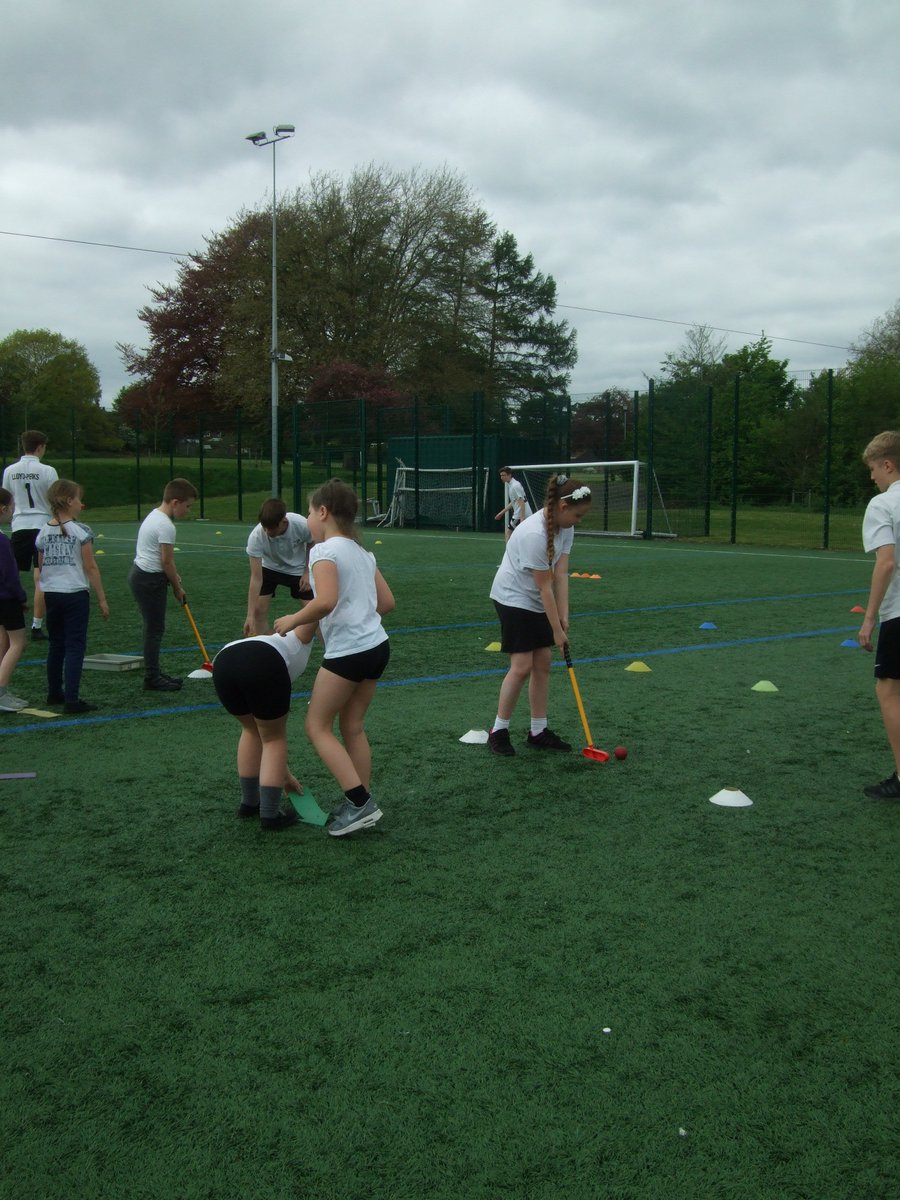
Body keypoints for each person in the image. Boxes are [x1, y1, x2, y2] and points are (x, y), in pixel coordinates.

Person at [273, 478, 395, 837]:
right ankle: (361, 801)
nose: (308, 518)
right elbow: (387, 603)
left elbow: (324, 601)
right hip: (377, 647)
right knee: (352, 726)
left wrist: (291, 620)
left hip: (350, 653)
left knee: (316, 726)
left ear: (323, 512)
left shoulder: (323, 552)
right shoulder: (361, 552)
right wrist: (358, 616)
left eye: (310, 511)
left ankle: (360, 802)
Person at [487, 473, 592, 756]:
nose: (578, 521)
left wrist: (564, 617)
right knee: (522, 665)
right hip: (513, 597)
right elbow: (544, 587)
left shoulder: (565, 527)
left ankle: (538, 730)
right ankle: (498, 730)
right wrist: (556, 630)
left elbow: (561, 574)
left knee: (543, 660)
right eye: (578, 515)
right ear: (562, 507)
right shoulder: (535, 533)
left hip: (534, 597)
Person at [212, 628, 316, 830]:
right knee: (274, 738)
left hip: (223, 662)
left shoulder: (276, 638)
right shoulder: (302, 637)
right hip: (261, 662)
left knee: (251, 730)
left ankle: (250, 803)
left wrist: (284, 774)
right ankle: (270, 815)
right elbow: (316, 612)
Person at [35, 479, 109, 714]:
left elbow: (42, 567)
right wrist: (102, 599)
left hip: (52, 594)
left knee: (56, 645)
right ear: (69, 501)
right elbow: (91, 567)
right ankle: (72, 699)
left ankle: (54, 692)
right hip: (75, 594)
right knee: (75, 646)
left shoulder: (43, 531)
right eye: (78, 498)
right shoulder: (81, 531)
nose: (81, 503)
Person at [858, 431, 900, 799]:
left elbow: (886, 562)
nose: (872, 477)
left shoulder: (884, 504)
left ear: (888, 464)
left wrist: (870, 617)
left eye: (874, 469)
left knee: (889, 690)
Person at [128, 478, 198, 692]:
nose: (187, 511)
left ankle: (154, 671)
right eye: (187, 506)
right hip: (149, 580)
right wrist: (177, 588)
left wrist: (174, 578)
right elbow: (166, 561)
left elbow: (166, 563)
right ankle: (151, 677)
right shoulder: (165, 525)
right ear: (175, 502)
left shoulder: (155, 516)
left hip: (143, 576)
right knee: (154, 629)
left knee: (154, 627)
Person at [1, 429, 58, 641]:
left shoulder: (10, 470)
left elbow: (6, 499)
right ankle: (36, 626)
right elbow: (55, 500)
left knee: (8, 573)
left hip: (20, 526)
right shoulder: (48, 471)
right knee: (40, 578)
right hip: (43, 526)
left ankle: (7, 621)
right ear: (40, 447)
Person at [243, 498, 315, 636]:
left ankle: (327, 650)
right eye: (264, 527)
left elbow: (312, 542)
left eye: (271, 528)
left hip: (298, 570)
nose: (267, 531)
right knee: (259, 611)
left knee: (313, 613)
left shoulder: (301, 524)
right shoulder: (256, 536)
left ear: (284, 522)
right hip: (269, 568)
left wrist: (307, 572)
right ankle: (265, 646)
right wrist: (250, 615)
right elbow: (256, 578)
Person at [0, 487, 29, 712]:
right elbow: (10, 575)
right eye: (12, 508)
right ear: (4, 509)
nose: (13, 512)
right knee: (18, 642)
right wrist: (21, 597)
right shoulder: (3, 542)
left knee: (3, 642)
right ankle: (1, 691)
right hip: (6, 599)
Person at [495, 467, 532, 542]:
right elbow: (514, 502)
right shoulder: (512, 484)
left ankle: (508, 553)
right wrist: (501, 513)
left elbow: (522, 502)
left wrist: (521, 519)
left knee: (508, 532)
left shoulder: (515, 486)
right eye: (501, 475)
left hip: (519, 515)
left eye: (503, 475)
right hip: (522, 514)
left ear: (509, 475)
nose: (501, 477)